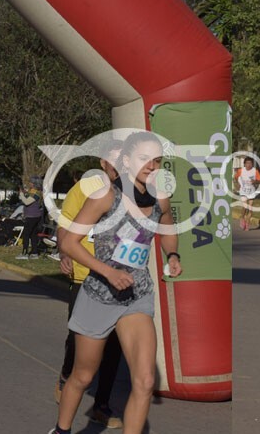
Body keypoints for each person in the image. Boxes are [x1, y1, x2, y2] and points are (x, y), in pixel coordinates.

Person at [52, 131, 182, 434]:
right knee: (83, 376)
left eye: (157, 160)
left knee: (145, 381)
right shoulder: (106, 195)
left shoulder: (161, 197)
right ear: (125, 160)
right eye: (143, 159)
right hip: (100, 294)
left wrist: (172, 254)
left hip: (137, 295)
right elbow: (71, 242)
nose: (151, 165)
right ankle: (61, 430)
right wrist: (107, 272)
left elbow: (168, 228)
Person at [53, 147, 126, 429]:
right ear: (103, 163)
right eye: (113, 162)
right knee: (77, 337)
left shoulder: (131, 192)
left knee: (113, 346)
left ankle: (102, 405)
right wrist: (65, 253)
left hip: (116, 279)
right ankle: (65, 375)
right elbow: (66, 224)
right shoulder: (85, 188)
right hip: (85, 276)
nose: (117, 167)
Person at [17, 177, 44, 260]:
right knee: (33, 235)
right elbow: (23, 199)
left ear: (34, 184)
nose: (29, 184)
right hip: (35, 216)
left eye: (31, 182)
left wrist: (21, 193)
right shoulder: (34, 192)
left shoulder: (36, 193)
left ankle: (24, 253)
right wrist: (23, 193)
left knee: (26, 234)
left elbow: (26, 202)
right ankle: (34, 252)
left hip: (32, 216)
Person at [235, 157, 260, 231]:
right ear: (244, 164)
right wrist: (238, 184)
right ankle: (242, 218)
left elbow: (259, 180)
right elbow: (236, 177)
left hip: (251, 191)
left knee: (250, 208)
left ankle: (247, 223)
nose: (249, 165)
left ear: (252, 164)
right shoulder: (241, 170)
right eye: (247, 163)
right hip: (243, 191)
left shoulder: (255, 171)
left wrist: (255, 181)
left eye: (250, 163)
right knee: (245, 207)